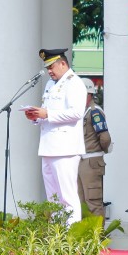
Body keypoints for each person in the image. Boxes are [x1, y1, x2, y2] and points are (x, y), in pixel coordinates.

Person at [24, 49, 86, 224]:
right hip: (48, 146)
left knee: (67, 196)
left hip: (65, 147)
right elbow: (47, 114)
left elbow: (76, 113)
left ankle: (72, 236)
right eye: (47, 67)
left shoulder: (74, 83)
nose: (49, 71)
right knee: (53, 198)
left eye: (51, 66)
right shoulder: (50, 85)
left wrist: (47, 114)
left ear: (63, 64)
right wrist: (36, 117)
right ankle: (57, 235)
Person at [78, 78, 112, 219]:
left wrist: (98, 151)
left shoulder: (94, 112)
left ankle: (98, 236)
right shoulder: (83, 112)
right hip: (81, 160)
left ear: (88, 94)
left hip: (91, 161)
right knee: (81, 201)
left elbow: (105, 138)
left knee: (93, 201)